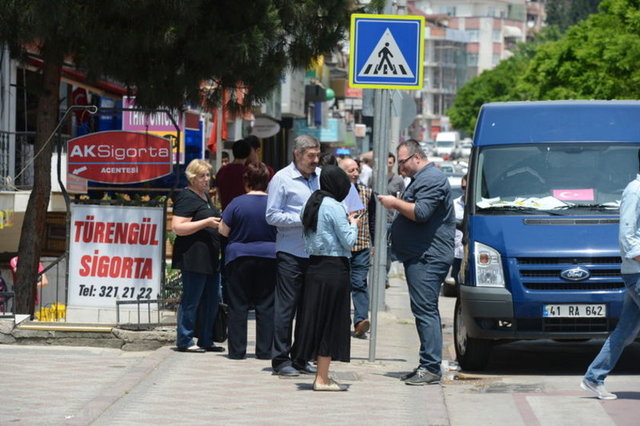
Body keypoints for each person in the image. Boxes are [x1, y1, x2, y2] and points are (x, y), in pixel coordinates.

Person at [377, 139, 455, 385]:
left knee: (425, 311)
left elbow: (421, 213)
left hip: (427, 257)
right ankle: (426, 363)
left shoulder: (431, 179)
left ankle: (431, 368)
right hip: (420, 255)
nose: (400, 169)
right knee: (422, 311)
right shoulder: (422, 178)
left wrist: (394, 203)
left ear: (417, 157)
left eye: (403, 162)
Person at [293, 165, 359, 391]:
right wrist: (354, 223)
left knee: (316, 320)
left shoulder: (310, 203)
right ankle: (322, 378)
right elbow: (348, 240)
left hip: (313, 267)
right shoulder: (334, 206)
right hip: (334, 269)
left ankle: (320, 374)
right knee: (331, 323)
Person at [581, 155, 640, 400]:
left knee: (625, 331)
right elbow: (627, 234)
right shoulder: (635, 190)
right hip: (637, 271)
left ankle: (594, 377)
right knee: (625, 330)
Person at [266, 134, 321, 376]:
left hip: (315, 252)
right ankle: (280, 359)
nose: (315, 160)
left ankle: (301, 357)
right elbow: (271, 215)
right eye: (311, 156)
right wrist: (301, 220)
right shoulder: (282, 179)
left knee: (309, 309)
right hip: (290, 253)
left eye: (317, 155)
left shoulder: (319, 179)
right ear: (297, 154)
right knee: (286, 308)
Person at [218, 163, 277, 360]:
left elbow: (223, 231)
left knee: (238, 305)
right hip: (270, 257)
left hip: (239, 257)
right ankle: (264, 350)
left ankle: (236, 350)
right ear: (267, 182)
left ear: (246, 182)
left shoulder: (236, 203)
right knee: (266, 305)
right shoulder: (273, 203)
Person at [171, 159, 224, 353]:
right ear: (192, 178)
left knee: (212, 299)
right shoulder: (187, 197)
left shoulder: (205, 196)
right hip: (194, 257)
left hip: (210, 257)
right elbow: (177, 227)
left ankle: (206, 339)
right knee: (192, 299)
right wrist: (206, 223)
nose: (206, 179)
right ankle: (185, 339)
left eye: (208, 175)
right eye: (202, 176)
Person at [339, 157, 375, 338]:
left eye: (356, 170)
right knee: (342, 285)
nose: (355, 174)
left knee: (359, 283)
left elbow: (374, 220)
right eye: (350, 170)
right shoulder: (334, 194)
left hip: (361, 246)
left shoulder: (367, 193)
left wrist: (374, 243)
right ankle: (340, 320)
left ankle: (360, 320)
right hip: (340, 247)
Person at [385, 153, 406, 288]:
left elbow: (402, 199)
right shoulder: (374, 177)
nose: (388, 165)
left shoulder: (398, 180)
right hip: (376, 219)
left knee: (387, 250)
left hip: (390, 219)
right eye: (386, 162)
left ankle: (384, 276)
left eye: (391, 162)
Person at [215, 138, 252, 210]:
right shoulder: (248, 172)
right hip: (243, 213)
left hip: (226, 213)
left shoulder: (222, 171)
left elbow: (219, 196)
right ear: (248, 154)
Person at [451, 174, 467, 291]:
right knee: (455, 281)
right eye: (463, 187)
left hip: (469, 252)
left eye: (467, 187)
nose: (464, 190)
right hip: (456, 251)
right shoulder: (454, 204)